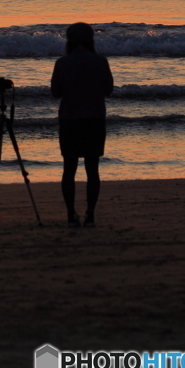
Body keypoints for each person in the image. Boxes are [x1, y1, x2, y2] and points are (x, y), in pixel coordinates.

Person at [51, 22, 113, 228]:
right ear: (90, 40)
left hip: (69, 119)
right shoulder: (100, 61)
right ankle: (91, 214)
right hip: (94, 118)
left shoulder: (62, 63)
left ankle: (70, 214)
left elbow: (55, 92)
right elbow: (109, 90)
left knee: (69, 169)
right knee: (92, 169)